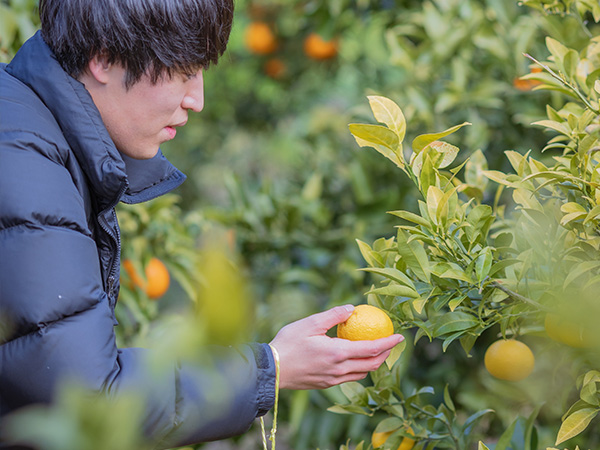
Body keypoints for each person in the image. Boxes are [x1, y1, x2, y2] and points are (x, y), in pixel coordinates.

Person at [0, 0, 404, 448]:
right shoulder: (24, 161)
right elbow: (86, 400)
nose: (198, 99)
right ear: (103, 58)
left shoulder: (28, 131)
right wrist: (274, 366)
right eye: (185, 71)